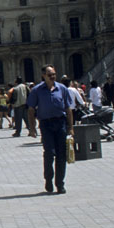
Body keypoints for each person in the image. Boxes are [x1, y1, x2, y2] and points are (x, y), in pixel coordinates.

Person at [27, 64, 74, 194]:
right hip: (45, 124)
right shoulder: (36, 90)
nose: (52, 76)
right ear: (43, 76)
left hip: (60, 123)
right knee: (49, 153)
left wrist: (71, 127)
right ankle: (48, 179)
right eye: (50, 75)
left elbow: (68, 109)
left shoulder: (62, 88)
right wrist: (32, 128)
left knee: (61, 155)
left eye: (54, 74)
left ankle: (60, 184)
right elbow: (31, 110)